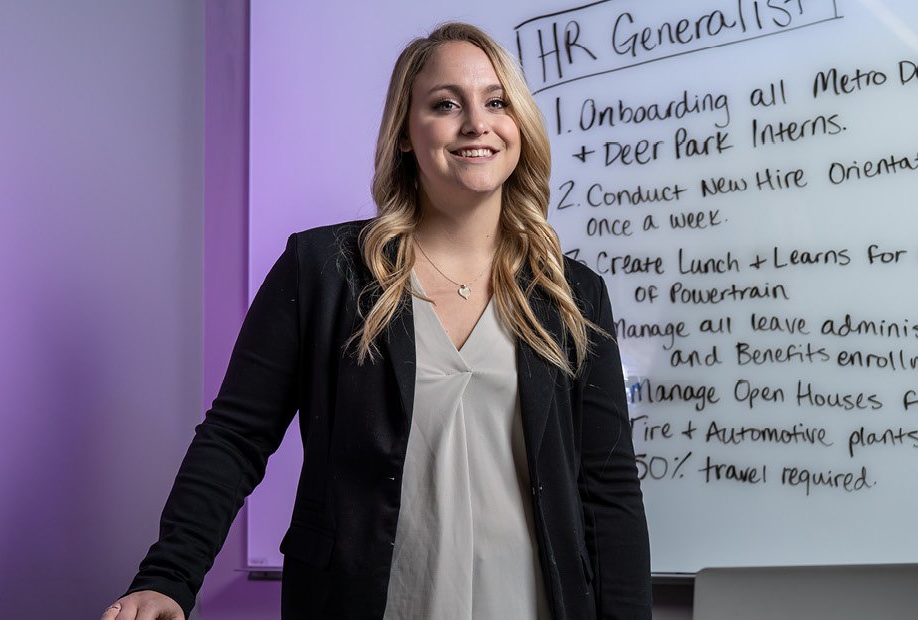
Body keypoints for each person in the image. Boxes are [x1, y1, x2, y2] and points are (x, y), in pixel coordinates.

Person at [103, 22, 650, 620]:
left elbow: (609, 489)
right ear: (407, 134)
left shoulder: (573, 295)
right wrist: (168, 577)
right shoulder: (323, 270)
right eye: (446, 104)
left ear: (518, 123)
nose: (476, 123)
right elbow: (235, 437)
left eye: (496, 102)